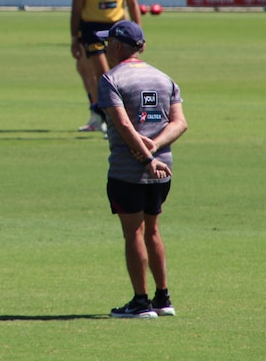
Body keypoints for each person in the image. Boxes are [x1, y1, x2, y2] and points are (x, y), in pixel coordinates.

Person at [95, 20, 187, 319]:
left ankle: (141, 301)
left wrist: (146, 156)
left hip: (128, 170)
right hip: (163, 169)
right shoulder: (164, 78)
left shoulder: (111, 79)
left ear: (118, 46)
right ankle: (163, 298)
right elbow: (180, 123)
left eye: (108, 43)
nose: (106, 48)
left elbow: (122, 125)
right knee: (154, 230)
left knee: (133, 233)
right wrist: (156, 148)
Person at [69, 0, 141, 135]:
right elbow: (76, 8)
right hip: (92, 28)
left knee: (120, 73)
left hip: (117, 27)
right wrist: (75, 38)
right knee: (105, 76)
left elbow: (133, 3)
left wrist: (138, 33)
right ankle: (111, 121)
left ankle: (124, 116)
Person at [71, 0, 105, 133]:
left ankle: (100, 114)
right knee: (86, 69)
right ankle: (97, 113)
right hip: (105, 23)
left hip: (88, 24)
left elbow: (80, 1)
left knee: (89, 69)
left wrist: (76, 32)